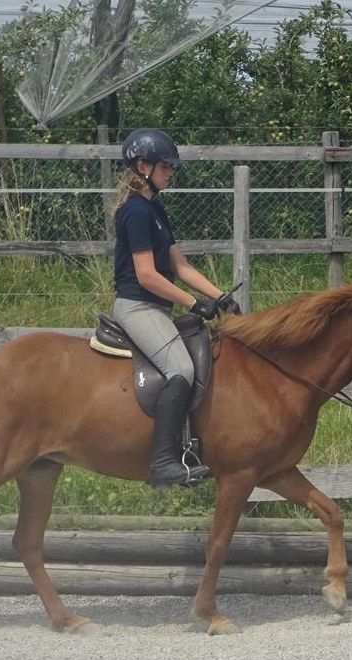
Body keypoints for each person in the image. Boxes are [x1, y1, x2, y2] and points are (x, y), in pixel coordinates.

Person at [111, 128, 237, 489]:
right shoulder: (135, 211)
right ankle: (163, 462)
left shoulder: (154, 208)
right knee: (180, 368)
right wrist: (193, 302)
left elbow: (180, 266)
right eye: (165, 166)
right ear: (143, 166)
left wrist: (221, 296)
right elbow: (147, 275)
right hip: (137, 307)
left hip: (154, 309)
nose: (170, 172)